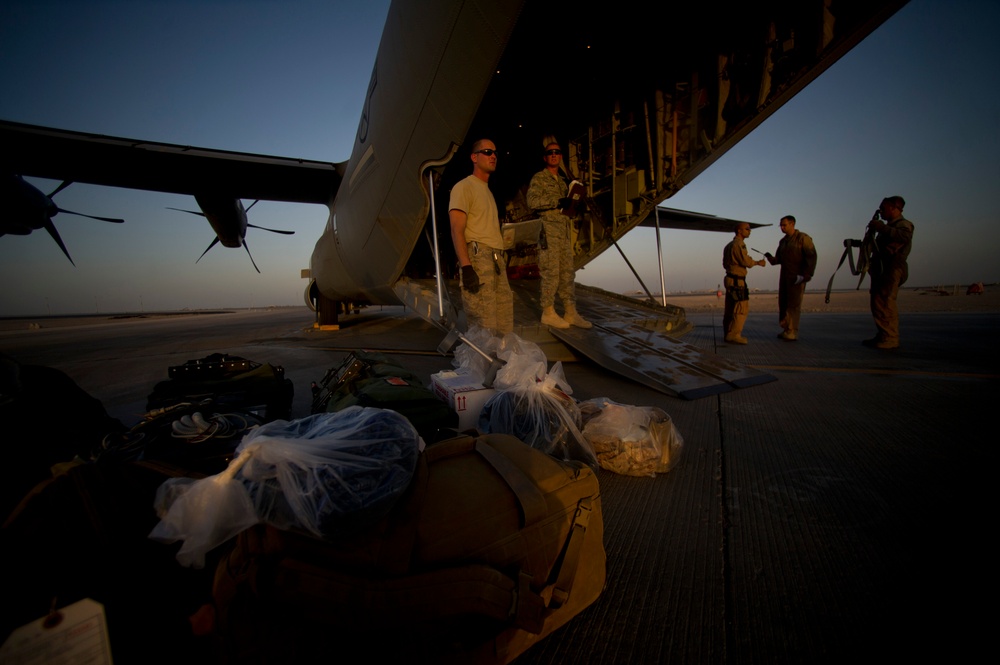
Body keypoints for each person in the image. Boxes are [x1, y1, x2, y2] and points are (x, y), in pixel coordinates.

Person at [449, 139, 514, 335]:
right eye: (487, 152)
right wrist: (466, 266)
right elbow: (456, 229)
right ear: (474, 157)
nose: (493, 156)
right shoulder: (464, 187)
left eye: (494, 152)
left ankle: (502, 364)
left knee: (504, 324)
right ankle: (481, 365)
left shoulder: (487, 192)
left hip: (496, 261)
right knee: (484, 327)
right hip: (479, 259)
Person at [526, 137, 592, 329]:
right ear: (545, 157)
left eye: (557, 152)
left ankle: (570, 312)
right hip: (548, 233)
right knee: (550, 272)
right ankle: (548, 312)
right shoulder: (539, 178)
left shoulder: (564, 183)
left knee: (567, 274)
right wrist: (556, 202)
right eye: (550, 153)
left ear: (561, 156)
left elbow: (566, 205)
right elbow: (532, 202)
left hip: (563, 233)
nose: (553, 155)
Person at [863, 195, 914, 349]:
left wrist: (881, 227)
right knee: (878, 303)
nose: (881, 211)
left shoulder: (904, 224)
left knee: (886, 302)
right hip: (881, 268)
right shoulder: (887, 227)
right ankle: (883, 334)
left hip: (892, 267)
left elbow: (904, 236)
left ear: (894, 208)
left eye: (883, 208)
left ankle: (890, 338)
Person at [765, 215, 817, 341]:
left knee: (794, 305)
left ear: (792, 224)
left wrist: (808, 274)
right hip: (785, 277)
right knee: (783, 303)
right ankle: (786, 329)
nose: (782, 228)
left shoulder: (803, 238)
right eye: (780, 225)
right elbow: (778, 259)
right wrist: (770, 258)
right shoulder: (783, 242)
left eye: (784, 225)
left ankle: (792, 331)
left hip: (797, 276)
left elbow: (811, 256)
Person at [722, 222, 766, 344]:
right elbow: (745, 261)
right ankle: (734, 334)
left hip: (730, 278)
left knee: (730, 307)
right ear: (739, 231)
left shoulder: (728, 245)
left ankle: (728, 333)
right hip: (737, 280)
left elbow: (724, 263)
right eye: (747, 229)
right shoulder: (739, 245)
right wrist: (757, 263)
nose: (749, 231)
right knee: (741, 307)